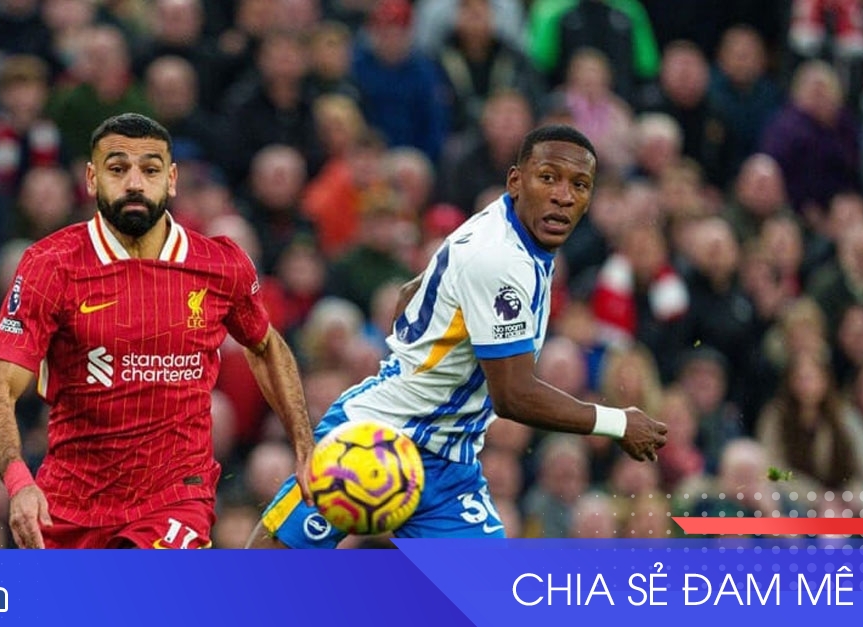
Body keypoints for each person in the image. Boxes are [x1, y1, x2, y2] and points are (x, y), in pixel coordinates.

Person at [247, 125, 667, 548]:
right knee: (265, 572)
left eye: (579, 184)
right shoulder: (499, 259)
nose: (563, 195)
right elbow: (514, 395)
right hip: (378, 440)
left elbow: (409, 295)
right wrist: (618, 423)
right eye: (548, 177)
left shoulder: (510, 228)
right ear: (515, 181)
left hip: (449, 464)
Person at [0, 113, 315, 549]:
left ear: (171, 180)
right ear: (92, 179)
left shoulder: (220, 264)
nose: (135, 183)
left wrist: (304, 443)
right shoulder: (50, 265)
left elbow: (265, 346)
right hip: (70, 502)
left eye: (151, 170)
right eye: (118, 169)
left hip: (176, 497)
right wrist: (19, 482)